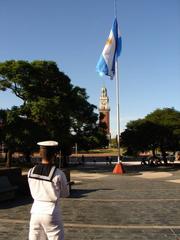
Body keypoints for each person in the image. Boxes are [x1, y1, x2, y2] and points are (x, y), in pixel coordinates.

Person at [28, 140, 69, 240]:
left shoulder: (31, 171)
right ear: (54, 155)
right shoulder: (59, 173)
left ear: (40, 154)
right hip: (51, 211)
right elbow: (65, 193)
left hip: (35, 211)